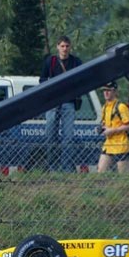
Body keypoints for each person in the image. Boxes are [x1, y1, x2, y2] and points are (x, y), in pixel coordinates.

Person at [38, 35, 83, 172]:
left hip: (69, 102)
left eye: (67, 46)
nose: (64, 49)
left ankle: (66, 168)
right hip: (52, 102)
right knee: (50, 136)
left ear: (70, 47)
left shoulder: (76, 62)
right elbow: (42, 80)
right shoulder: (50, 61)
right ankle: (52, 167)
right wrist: (52, 88)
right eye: (62, 46)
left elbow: (82, 79)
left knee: (68, 137)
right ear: (57, 47)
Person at [97, 81, 129, 173]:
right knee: (100, 171)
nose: (106, 92)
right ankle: (100, 187)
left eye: (109, 90)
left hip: (121, 144)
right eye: (104, 90)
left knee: (123, 175)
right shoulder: (104, 107)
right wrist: (101, 128)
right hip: (109, 143)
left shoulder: (121, 106)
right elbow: (105, 123)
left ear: (115, 92)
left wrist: (112, 130)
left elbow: (128, 126)